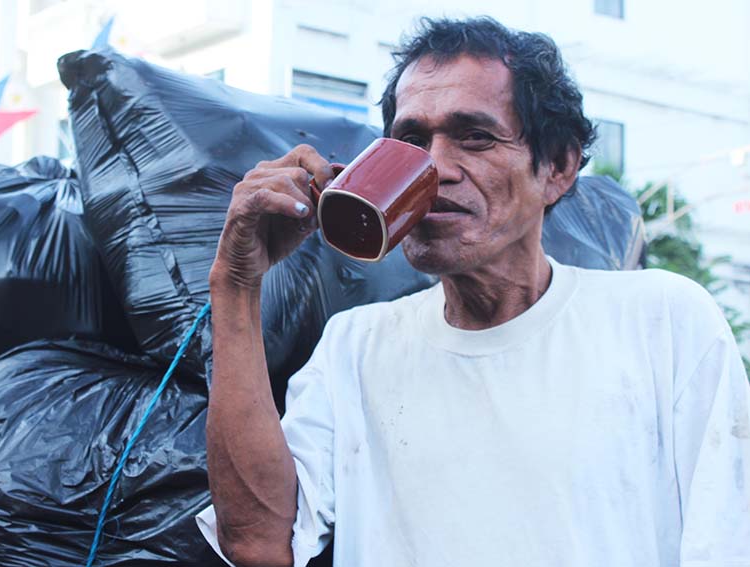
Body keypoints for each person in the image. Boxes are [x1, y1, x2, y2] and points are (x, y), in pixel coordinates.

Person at [197, 16, 750, 567]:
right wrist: (236, 284)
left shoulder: (664, 322)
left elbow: (723, 543)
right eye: (412, 140)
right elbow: (258, 543)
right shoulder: (355, 346)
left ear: (557, 168)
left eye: (476, 136)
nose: (435, 168)